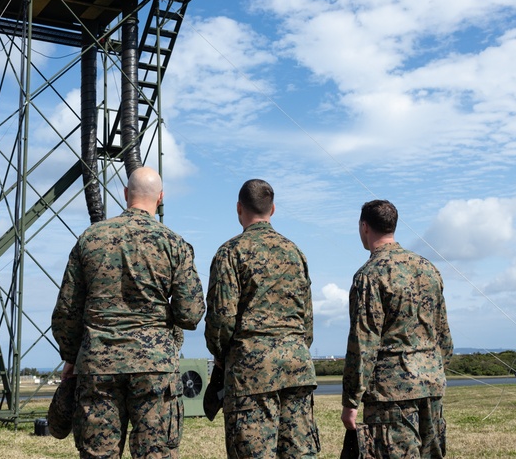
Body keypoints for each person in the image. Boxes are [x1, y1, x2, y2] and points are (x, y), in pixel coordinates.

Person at [51, 166, 205, 459]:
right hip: (154, 367)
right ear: (160, 197)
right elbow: (191, 312)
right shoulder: (173, 243)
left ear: (125, 194)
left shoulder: (90, 239)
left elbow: (67, 310)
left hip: (98, 364)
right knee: (156, 453)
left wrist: (71, 357)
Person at [205, 179, 319, 459]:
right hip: (297, 367)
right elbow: (307, 318)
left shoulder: (231, 252)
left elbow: (222, 319)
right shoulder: (295, 252)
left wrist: (222, 357)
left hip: (251, 374)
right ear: (273, 209)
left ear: (239, 209)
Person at [341, 199, 453, 459]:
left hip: (390, 393)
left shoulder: (370, 275)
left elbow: (363, 342)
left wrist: (350, 400)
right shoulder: (428, 269)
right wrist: (433, 370)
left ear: (364, 226)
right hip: (431, 384)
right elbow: (443, 334)